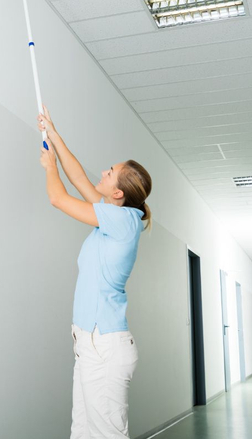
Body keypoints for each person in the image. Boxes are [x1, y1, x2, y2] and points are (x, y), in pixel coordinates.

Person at [37, 105, 152, 439]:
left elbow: (58, 198)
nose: (104, 171)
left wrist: (49, 166)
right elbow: (78, 179)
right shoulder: (111, 213)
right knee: (83, 432)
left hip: (104, 346)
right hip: (89, 343)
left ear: (118, 192)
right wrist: (53, 134)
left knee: (105, 435)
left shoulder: (123, 220)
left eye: (110, 171)